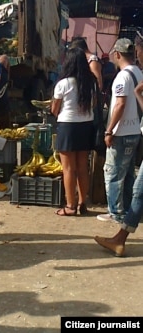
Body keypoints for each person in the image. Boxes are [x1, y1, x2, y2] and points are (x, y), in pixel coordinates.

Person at [94, 32, 143, 257]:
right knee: (133, 181)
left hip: (122, 132)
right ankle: (122, 227)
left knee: (114, 174)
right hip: (135, 131)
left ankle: (116, 214)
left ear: (116, 54)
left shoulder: (122, 77)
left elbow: (120, 105)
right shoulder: (138, 73)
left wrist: (109, 129)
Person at [51, 47, 96, 216]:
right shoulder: (90, 82)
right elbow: (93, 103)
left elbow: (54, 110)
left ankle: (70, 205)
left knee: (68, 168)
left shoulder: (63, 83)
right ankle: (83, 202)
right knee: (83, 167)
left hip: (68, 126)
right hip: (86, 125)